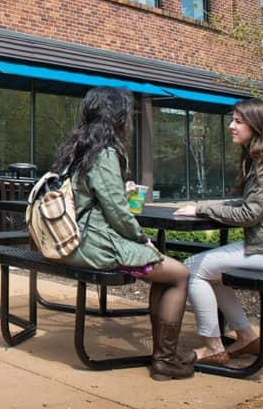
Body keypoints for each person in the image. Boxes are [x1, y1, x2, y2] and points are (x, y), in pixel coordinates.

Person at [56, 87, 194, 381]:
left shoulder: (80, 149)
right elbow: (118, 213)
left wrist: (121, 189)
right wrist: (142, 238)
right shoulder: (104, 152)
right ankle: (166, 359)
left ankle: (164, 355)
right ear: (116, 116)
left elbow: (95, 194)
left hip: (76, 240)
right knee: (179, 274)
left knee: (166, 274)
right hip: (96, 244)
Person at [175, 98, 263, 364]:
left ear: (256, 125)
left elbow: (249, 214)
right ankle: (245, 337)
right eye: (233, 120)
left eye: (238, 121)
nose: (231, 126)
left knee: (193, 268)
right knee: (211, 273)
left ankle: (213, 347)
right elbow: (248, 203)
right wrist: (201, 206)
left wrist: (201, 210)